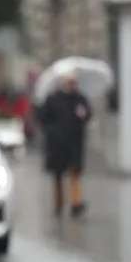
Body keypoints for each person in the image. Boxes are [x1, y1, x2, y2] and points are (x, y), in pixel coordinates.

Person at [38, 69, 91, 217]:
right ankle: (59, 203)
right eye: (70, 82)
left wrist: (83, 115)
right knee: (58, 175)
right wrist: (52, 132)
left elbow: (87, 115)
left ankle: (76, 203)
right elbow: (43, 118)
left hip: (74, 142)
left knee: (74, 173)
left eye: (74, 82)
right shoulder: (53, 99)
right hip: (57, 144)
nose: (72, 85)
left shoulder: (80, 99)